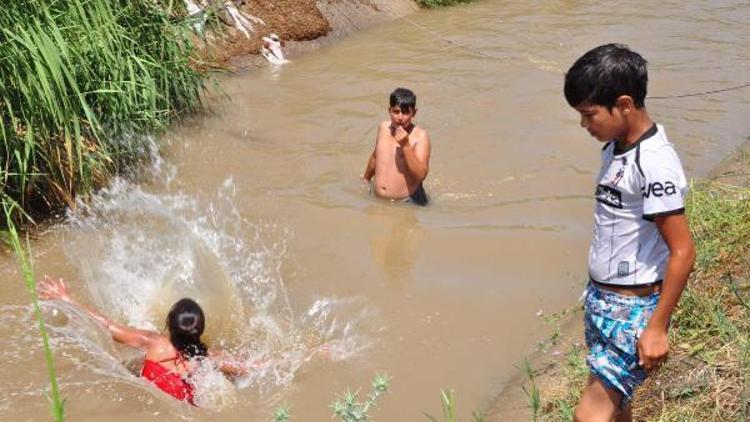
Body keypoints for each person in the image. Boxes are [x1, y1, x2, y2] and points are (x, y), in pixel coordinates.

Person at [564, 44, 696, 421]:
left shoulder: (654, 163)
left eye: (589, 115)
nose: (584, 125)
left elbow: (683, 251)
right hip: (602, 300)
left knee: (589, 414)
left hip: (634, 310)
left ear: (623, 104)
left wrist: (656, 327)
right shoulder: (615, 147)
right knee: (616, 406)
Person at [38, 276, 247, 406]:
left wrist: (66, 298)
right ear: (200, 331)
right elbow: (247, 367)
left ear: (168, 324)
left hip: (145, 402)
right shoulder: (206, 357)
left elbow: (106, 325)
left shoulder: (153, 342)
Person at [362, 87, 432, 206]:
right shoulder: (384, 128)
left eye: (405, 113)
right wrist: (366, 178)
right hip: (377, 198)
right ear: (389, 110)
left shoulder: (420, 136)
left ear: (414, 113)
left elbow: (421, 175)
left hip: (407, 202)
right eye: (396, 111)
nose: (400, 117)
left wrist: (405, 145)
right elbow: (375, 156)